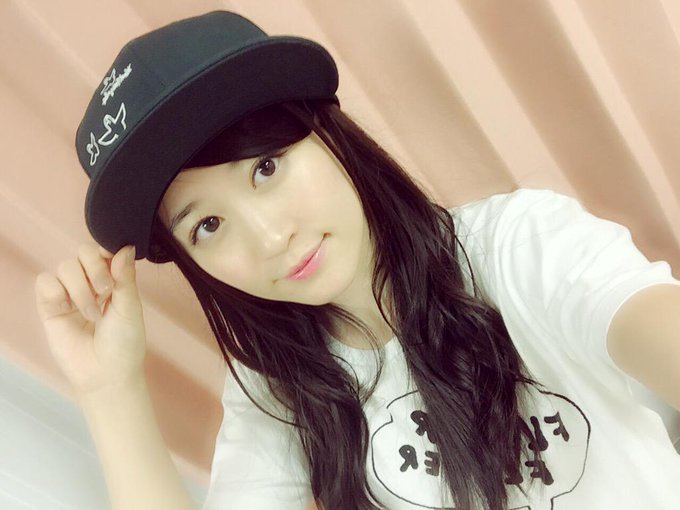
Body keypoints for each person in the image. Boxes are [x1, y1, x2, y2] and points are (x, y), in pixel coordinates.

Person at [33, 10, 680, 510]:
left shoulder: (519, 248)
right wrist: (110, 389)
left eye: (266, 167)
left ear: (327, 133)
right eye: (207, 225)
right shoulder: (275, 391)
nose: (270, 238)